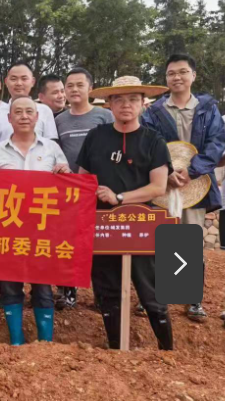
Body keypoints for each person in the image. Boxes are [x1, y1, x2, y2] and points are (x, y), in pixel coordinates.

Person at [77, 75, 173, 350]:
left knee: (151, 291)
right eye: (118, 99)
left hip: (140, 226)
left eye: (133, 99)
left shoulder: (154, 141)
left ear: (144, 104)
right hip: (102, 226)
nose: (126, 105)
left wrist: (119, 198)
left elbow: (158, 187)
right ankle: (115, 350)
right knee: (107, 292)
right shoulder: (96, 136)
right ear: (109, 104)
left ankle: (168, 353)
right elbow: (83, 178)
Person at [142, 54, 225, 322]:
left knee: (190, 238)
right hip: (162, 184)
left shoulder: (208, 108)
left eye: (182, 72)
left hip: (196, 183)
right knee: (161, 238)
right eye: (171, 73)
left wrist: (193, 170)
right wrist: (166, 173)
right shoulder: (154, 111)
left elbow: (216, 142)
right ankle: (156, 297)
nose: (176, 77)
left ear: (193, 75)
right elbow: (148, 145)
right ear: (166, 78)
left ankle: (192, 299)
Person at [0, 97, 70, 345]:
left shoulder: (51, 149)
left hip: (42, 230)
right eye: (18, 112)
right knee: (9, 285)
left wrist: (65, 173)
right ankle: (16, 340)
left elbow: (69, 187)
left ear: (37, 117)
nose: (23, 116)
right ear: (9, 118)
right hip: (8, 229)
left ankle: (45, 343)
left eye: (29, 112)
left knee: (42, 286)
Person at [54, 67, 114, 309]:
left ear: (91, 88)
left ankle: (102, 295)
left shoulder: (105, 116)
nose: (74, 89)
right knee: (67, 243)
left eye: (80, 85)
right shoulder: (59, 120)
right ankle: (67, 292)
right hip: (69, 191)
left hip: (101, 190)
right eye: (69, 86)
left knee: (100, 244)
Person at [0, 62, 59, 160]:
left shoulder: (44, 111)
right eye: (13, 79)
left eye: (24, 78)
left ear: (32, 81)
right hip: (4, 168)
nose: (19, 83)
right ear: (6, 82)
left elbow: (52, 147)